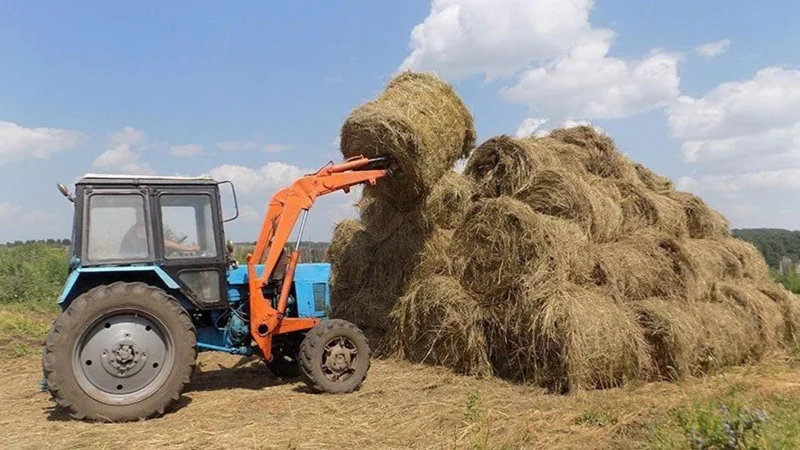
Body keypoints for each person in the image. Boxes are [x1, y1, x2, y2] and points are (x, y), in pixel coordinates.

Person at [120, 213, 199, 257]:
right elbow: (162, 243)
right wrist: (189, 249)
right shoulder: (140, 228)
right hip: (138, 260)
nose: (160, 218)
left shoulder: (140, 228)